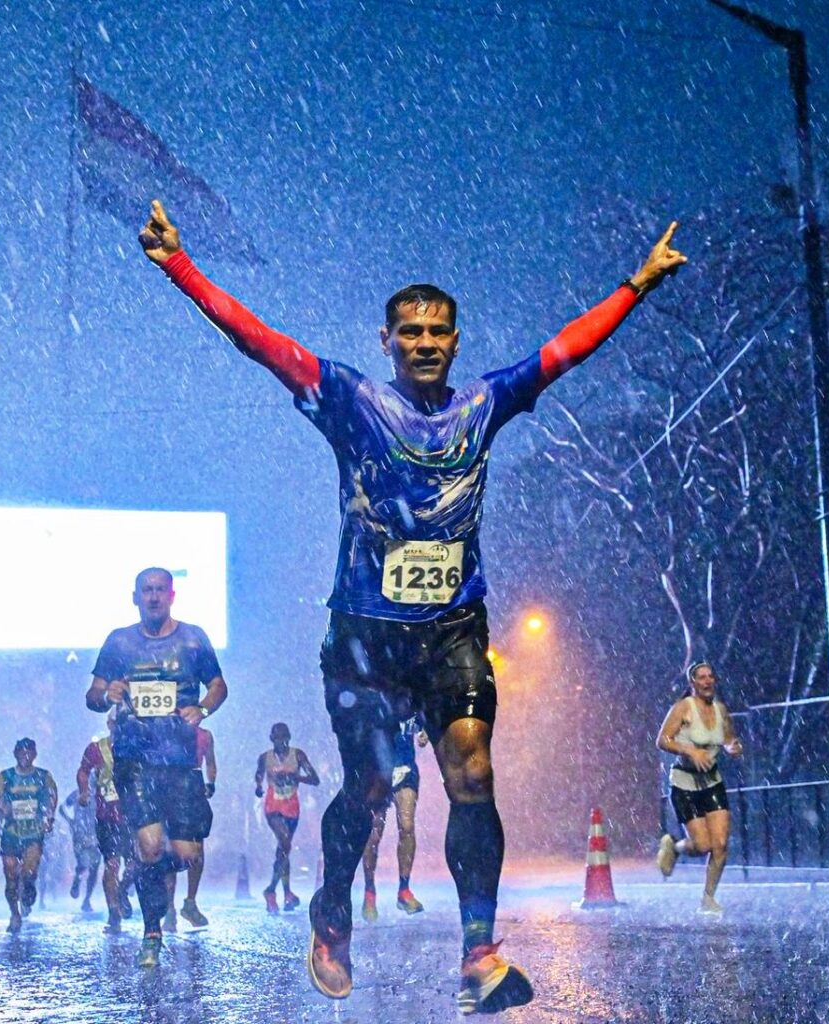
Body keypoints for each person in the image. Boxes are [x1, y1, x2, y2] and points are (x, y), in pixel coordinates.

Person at [140, 199, 685, 1013]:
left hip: (454, 631)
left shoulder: (485, 405)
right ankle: (330, 914)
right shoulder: (353, 400)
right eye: (411, 332)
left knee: (471, 768)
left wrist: (636, 285)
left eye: (439, 332)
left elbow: (563, 352)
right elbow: (261, 344)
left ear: (455, 342)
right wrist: (183, 269)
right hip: (364, 638)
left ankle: (479, 953)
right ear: (386, 341)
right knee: (366, 787)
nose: (425, 343)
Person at [86, 566, 228, 968]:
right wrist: (106, 693)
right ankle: (152, 931)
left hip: (181, 762)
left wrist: (201, 708)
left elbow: (219, 686)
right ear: (135, 597)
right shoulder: (119, 642)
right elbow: (93, 694)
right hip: (135, 760)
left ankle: (154, 876)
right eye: (145, 591)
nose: (152, 597)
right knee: (149, 847)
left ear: (171, 596)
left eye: (159, 590)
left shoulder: (193, 638)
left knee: (184, 853)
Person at [655, 660, 744, 913]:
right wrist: (690, 750)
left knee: (721, 843)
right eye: (701, 678)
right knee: (702, 845)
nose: (707, 681)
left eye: (710, 677)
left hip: (712, 782)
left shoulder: (721, 710)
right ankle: (674, 845)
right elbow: (662, 740)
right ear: (692, 683)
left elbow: (727, 739)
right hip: (684, 784)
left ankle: (708, 898)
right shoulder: (684, 708)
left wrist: (733, 747)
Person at [361, 714, 429, 922]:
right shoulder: (377, 698)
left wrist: (425, 733)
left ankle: (404, 890)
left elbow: (427, 724)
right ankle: (369, 891)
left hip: (405, 769)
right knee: (374, 835)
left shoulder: (413, 702)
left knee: (407, 826)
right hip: (378, 771)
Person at [77, 711, 136, 933]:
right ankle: (113, 912)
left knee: (137, 863)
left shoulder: (138, 746)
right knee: (112, 864)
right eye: (116, 723)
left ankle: (122, 890)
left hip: (134, 816)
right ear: (109, 724)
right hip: (108, 817)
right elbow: (83, 770)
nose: (119, 728)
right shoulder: (97, 749)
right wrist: (84, 792)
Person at [0, 738, 57, 933]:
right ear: (15, 754)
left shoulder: (43, 776)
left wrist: (48, 816)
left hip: (33, 832)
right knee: (10, 875)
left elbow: (52, 796)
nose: (25, 757)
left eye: (29, 753)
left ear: (35, 755)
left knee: (29, 872)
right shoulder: (5, 776)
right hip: (11, 832)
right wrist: (0, 807)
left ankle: (29, 888)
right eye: (21, 753)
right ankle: (14, 914)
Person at [254, 723, 320, 913]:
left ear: (288, 739)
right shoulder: (265, 758)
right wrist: (258, 788)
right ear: (271, 739)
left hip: (292, 807)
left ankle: (284, 892)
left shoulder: (298, 755)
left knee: (284, 850)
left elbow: (315, 779)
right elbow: (258, 778)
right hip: (273, 806)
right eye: (276, 739)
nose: (280, 743)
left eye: (283, 739)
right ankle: (272, 891)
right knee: (284, 842)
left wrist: (295, 778)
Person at [163, 724, 216, 930]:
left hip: (193, 789)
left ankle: (190, 902)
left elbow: (210, 762)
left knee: (197, 849)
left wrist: (211, 783)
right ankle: (169, 908)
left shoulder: (205, 735)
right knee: (170, 852)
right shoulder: (165, 732)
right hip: (170, 788)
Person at [60, 788, 100, 912]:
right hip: (80, 834)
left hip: (96, 833)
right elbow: (62, 808)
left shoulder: (100, 793)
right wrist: (70, 821)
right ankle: (78, 877)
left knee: (94, 867)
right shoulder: (76, 793)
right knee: (83, 862)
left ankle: (87, 899)